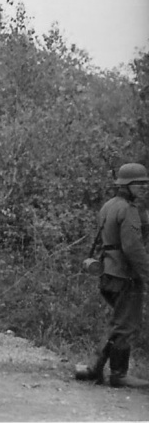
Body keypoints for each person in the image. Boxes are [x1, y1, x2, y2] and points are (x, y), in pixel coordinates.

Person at [75, 163, 149, 389]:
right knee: (125, 325)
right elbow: (132, 248)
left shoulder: (109, 205)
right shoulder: (128, 209)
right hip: (125, 276)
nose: (145, 187)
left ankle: (95, 369)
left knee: (118, 322)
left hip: (108, 274)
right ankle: (118, 374)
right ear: (127, 185)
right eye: (140, 183)